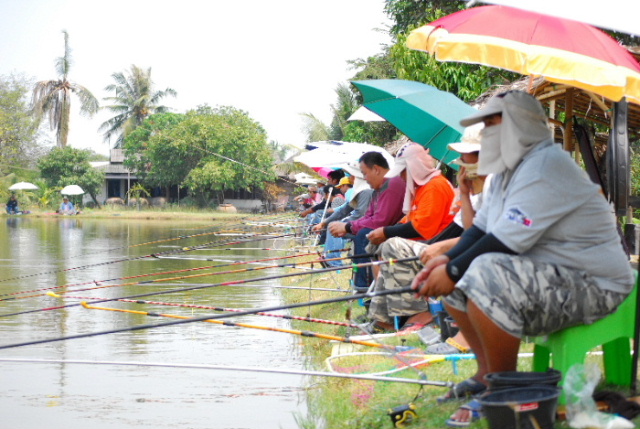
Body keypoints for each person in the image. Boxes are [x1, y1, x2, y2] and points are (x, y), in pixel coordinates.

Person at [412, 91, 633, 427]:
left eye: (492, 125)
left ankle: (505, 388)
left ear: (523, 127)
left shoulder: (547, 164)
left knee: (483, 270)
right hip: (555, 278)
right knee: (460, 273)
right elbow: (480, 230)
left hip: (598, 286)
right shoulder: (504, 172)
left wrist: (454, 268)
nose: (486, 136)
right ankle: (487, 375)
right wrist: (446, 264)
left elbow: (505, 242)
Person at [363, 132, 485, 334]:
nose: (401, 177)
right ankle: (382, 319)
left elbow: (426, 228)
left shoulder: (436, 186)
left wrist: (388, 233)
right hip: (441, 244)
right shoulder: (429, 190)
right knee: (381, 244)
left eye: (465, 163)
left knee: (391, 245)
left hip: (443, 245)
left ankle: (416, 313)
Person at [329, 151, 405, 291]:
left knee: (364, 234)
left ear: (376, 169)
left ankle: (364, 286)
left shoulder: (393, 184)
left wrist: (347, 227)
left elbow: (380, 221)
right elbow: (368, 216)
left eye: (364, 173)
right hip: (387, 231)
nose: (364, 178)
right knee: (361, 233)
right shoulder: (378, 189)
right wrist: (348, 227)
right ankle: (362, 284)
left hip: (397, 232)